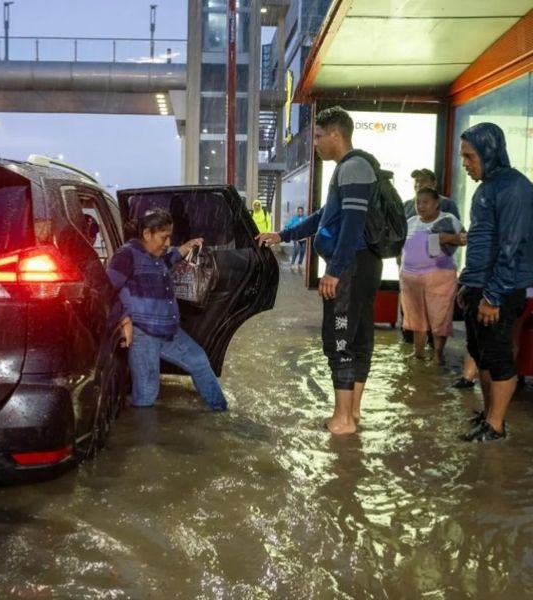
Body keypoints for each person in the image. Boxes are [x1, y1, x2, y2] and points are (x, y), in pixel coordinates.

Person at [256, 106, 381, 435]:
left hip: (351, 268)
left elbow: (352, 226)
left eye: (319, 136)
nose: (315, 143)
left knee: (338, 340)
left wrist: (335, 271)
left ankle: (342, 421)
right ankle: (351, 414)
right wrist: (282, 235)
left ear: (337, 135)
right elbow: (323, 217)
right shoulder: (352, 169)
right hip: (362, 266)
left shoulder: (352, 168)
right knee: (359, 340)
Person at [106, 208, 227, 412]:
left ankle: (222, 412)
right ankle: (145, 441)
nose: (167, 243)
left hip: (169, 331)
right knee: (146, 395)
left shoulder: (157, 254)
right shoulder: (126, 255)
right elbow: (105, 289)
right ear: (147, 234)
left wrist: (186, 247)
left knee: (199, 361)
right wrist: (124, 319)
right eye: (164, 237)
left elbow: (170, 256)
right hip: (144, 335)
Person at [458, 122, 533, 442]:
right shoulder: (487, 186)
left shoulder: (514, 187)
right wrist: (467, 285)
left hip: (499, 290)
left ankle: (497, 425)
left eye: (470, 156)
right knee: (483, 353)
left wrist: (493, 296)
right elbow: (480, 241)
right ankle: (488, 416)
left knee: (499, 357)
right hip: (478, 287)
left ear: (489, 153)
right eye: (463, 156)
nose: (465, 163)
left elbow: (511, 247)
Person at [399, 187, 463, 364]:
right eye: (418, 202)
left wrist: (446, 237)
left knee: (439, 316)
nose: (421, 206)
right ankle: (418, 353)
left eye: (425, 202)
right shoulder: (411, 221)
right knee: (416, 317)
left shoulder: (448, 220)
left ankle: (437, 355)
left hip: (440, 277)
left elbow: (465, 238)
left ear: (436, 204)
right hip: (410, 279)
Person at [285, 206, 307, 273]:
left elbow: (310, 225)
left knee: (303, 251)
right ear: (297, 212)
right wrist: (290, 230)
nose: (300, 212)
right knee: (296, 250)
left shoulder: (306, 218)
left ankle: (299, 263)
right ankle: (292, 264)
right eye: (299, 211)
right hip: (296, 238)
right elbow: (287, 225)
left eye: (301, 211)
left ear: (303, 212)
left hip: (304, 238)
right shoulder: (294, 218)